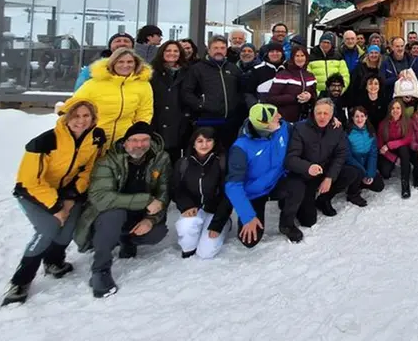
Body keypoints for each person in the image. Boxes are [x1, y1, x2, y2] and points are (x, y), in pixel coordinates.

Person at [2, 98, 106, 306]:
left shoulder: (96, 137)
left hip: (67, 190)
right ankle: (21, 281)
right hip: (33, 192)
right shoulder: (45, 142)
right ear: (66, 117)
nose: (81, 121)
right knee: (48, 228)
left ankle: (53, 262)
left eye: (86, 116)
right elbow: (31, 180)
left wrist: (70, 197)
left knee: (68, 228)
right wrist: (56, 207)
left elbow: (88, 169)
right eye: (76, 116)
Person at [73, 122, 171, 298]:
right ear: (125, 142)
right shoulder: (108, 161)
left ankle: (126, 239)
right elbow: (101, 198)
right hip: (108, 214)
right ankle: (100, 271)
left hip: (139, 214)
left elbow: (163, 194)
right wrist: (146, 200)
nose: (139, 145)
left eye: (144, 140)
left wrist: (151, 220)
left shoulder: (160, 159)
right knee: (114, 215)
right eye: (134, 140)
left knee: (157, 232)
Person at [225, 104, 304, 246]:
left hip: (276, 182)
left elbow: (302, 127)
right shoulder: (240, 148)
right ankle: (249, 216)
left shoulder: (282, 127)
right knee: (249, 242)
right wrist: (248, 217)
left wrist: (327, 120)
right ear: (264, 126)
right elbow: (233, 185)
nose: (280, 117)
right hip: (254, 193)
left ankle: (287, 223)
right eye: (275, 117)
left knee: (297, 185)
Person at [285, 98, 364, 225]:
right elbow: (290, 159)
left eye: (326, 113)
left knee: (352, 172)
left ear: (332, 115)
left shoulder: (336, 128)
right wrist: (308, 167)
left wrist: (330, 177)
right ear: (313, 113)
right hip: (307, 174)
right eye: (318, 113)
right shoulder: (300, 128)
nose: (322, 117)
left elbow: (340, 154)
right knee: (308, 221)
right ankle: (296, 203)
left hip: (325, 169)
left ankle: (324, 199)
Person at [74, 48, 153, 146]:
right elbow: (74, 107)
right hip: (93, 140)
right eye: (120, 62)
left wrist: (136, 134)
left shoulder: (143, 85)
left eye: (130, 62)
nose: (125, 65)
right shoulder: (93, 84)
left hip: (124, 141)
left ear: (136, 64)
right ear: (113, 63)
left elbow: (144, 112)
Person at [173, 127, 232, 258]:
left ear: (214, 142)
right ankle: (192, 240)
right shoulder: (183, 163)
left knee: (206, 253)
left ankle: (226, 225)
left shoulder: (222, 162)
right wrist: (186, 205)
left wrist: (218, 224)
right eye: (200, 141)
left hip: (216, 211)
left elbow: (229, 194)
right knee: (187, 235)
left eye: (209, 140)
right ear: (193, 143)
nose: (204, 145)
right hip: (193, 209)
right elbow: (177, 189)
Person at [182, 36, 244, 150]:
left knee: (227, 155)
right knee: (206, 153)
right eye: (215, 48)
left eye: (222, 48)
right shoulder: (197, 69)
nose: (219, 51)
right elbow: (187, 93)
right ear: (208, 49)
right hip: (206, 121)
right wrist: (201, 105)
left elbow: (241, 91)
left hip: (229, 123)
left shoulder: (233, 69)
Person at [150, 40, 190, 162]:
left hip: (179, 123)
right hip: (157, 121)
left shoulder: (187, 72)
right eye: (168, 50)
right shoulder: (152, 72)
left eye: (175, 51)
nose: (172, 53)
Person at [262, 46, 316, 123]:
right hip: (285, 119)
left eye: (302, 56)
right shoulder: (283, 75)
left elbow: (315, 95)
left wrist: (310, 96)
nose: (300, 59)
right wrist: (295, 98)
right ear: (292, 57)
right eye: (297, 56)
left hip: (305, 120)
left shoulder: (310, 76)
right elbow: (271, 98)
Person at [378, 99, 414, 198]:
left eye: (398, 108)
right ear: (389, 110)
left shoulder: (408, 122)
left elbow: (408, 139)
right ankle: (395, 164)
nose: (395, 110)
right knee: (385, 173)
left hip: (402, 149)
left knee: (404, 149)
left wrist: (390, 144)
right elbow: (380, 145)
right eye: (393, 108)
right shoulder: (383, 124)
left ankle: (405, 184)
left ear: (402, 109)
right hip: (388, 152)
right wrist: (394, 159)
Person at [346, 106, 386, 196]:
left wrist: (370, 174)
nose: (359, 119)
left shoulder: (371, 132)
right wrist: (363, 172)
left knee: (379, 186)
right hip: (354, 165)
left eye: (362, 116)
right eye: (356, 116)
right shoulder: (347, 133)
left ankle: (361, 183)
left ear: (366, 117)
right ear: (352, 118)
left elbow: (373, 154)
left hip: (366, 163)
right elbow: (348, 156)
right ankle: (353, 192)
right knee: (355, 174)